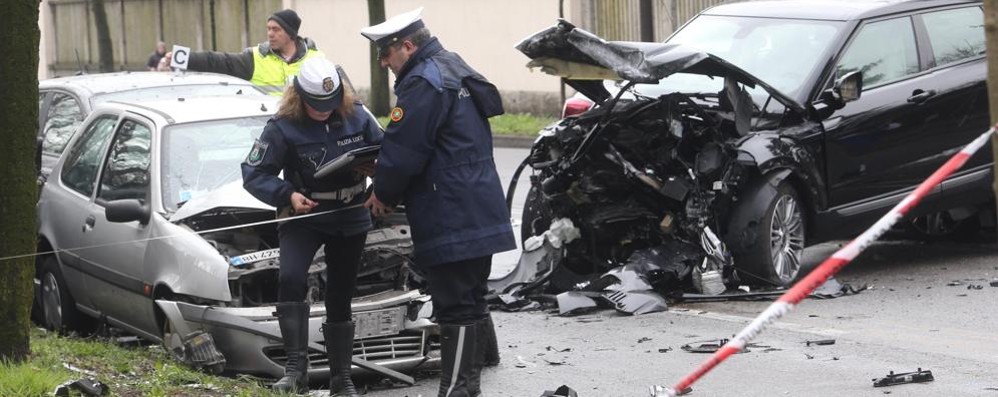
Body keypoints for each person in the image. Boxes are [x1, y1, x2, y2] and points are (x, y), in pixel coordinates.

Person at [360, 8, 515, 397]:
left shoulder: (422, 83)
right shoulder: (453, 65)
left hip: (449, 211)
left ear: (407, 46)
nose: (383, 63)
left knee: (455, 306)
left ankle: (457, 390)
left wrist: (382, 193)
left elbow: (404, 150)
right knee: (472, 299)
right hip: (478, 206)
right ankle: (467, 387)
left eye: (386, 54)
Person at [242, 57, 381, 396]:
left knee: (341, 292)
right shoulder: (282, 126)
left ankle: (341, 378)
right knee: (290, 278)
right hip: (304, 214)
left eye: (330, 104)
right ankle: (295, 371)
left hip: (349, 213)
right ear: (299, 96)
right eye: (316, 104)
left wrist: (378, 180)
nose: (324, 110)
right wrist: (287, 194)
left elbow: (388, 154)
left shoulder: (357, 115)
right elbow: (254, 174)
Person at [182, 9, 323, 94]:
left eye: (276, 29)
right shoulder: (255, 58)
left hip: (303, 132)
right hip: (266, 131)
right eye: (268, 28)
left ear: (290, 34)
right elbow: (217, 61)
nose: (270, 34)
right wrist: (186, 58)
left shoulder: (316, 59)